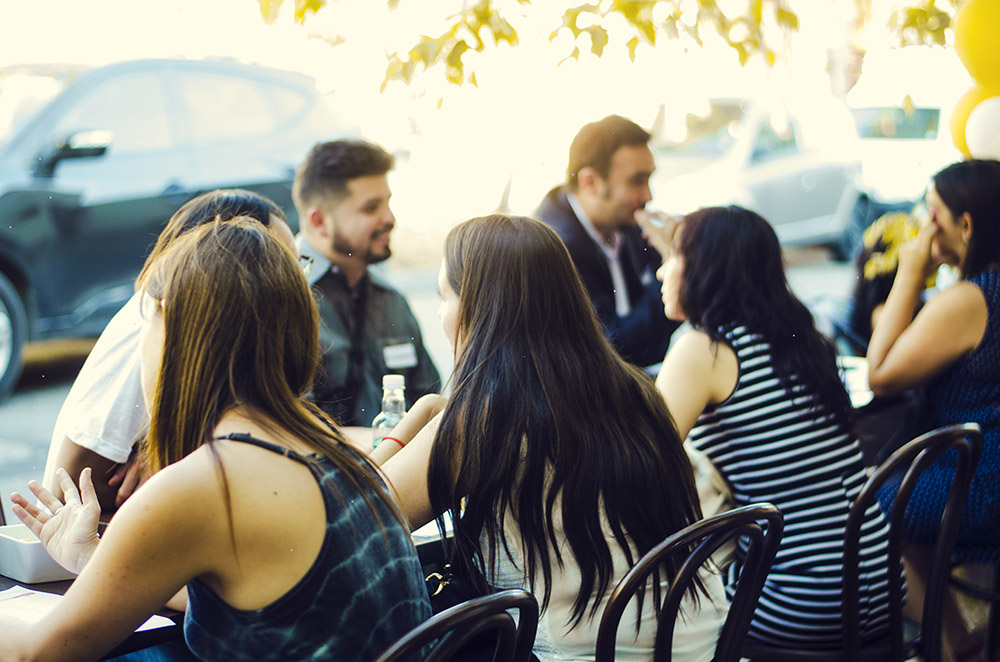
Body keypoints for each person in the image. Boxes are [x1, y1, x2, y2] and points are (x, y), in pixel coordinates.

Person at [2, 220, 431, 662]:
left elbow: (35, 654)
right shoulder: (331, 448)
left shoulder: (204, 485)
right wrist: (91, 556)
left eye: (143, 323)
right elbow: (261, 605)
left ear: (172, 329)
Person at [372, 214, 728, 662]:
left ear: (477, 307)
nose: (442, 314)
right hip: (695, 641)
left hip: (580, 655)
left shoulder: (483, 417)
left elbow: (362, 520)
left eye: (445, 296)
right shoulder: (635, 389)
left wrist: (418, 416)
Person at [649, 205, 893, 648]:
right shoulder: (804, 337)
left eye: (674, 257)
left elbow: (643, 460)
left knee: (654, 617)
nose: (661, 273)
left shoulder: (704, 349)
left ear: (707, 269)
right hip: (881, 581)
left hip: (803, 599)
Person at [41, 189, 297, 512]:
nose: (297, 278)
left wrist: (165, 451)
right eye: (281, 260)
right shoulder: (153, 322)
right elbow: (68, 490)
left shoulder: (225, 331)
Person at [867, 158, 1000, 662]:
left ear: (965, 225)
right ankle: (957, 645)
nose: (924, 225)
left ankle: (954, 648)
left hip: (980, 482)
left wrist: (910, 267)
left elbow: (880, 374)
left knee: (879, 511)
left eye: (932, 212)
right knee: (904, 498)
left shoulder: (972, 298)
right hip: (983, 472)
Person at [293, 139, 440, 427]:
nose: (390, 218)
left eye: (388, 203)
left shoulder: (392, 301)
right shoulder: (282, 299)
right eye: (371, 208)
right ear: (319, 221)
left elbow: (429, 405)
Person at [534, 115, 678, 368]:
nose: (648, 195)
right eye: (637, 181)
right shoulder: (551, 250)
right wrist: (672, 269)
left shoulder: (624, 223)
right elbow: (615, 350)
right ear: (589, 182)